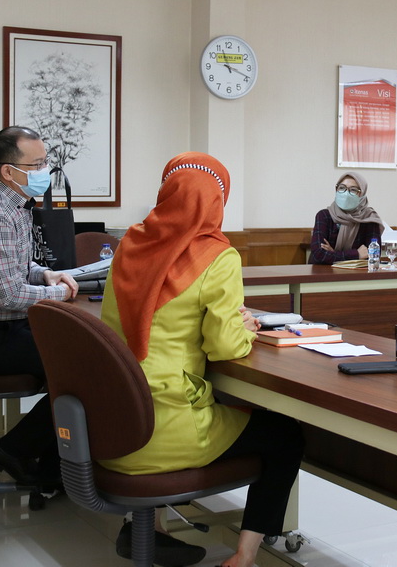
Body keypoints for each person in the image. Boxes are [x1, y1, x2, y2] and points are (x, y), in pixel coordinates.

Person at [101, 152, 304, 567]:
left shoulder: (129, 245)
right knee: (286, 435)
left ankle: (147, 525)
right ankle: (244, 556)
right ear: (217, 201)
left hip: (112, 426)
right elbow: (225, 347)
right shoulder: (218, 257)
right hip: (164, 429)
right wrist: (246, 328)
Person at [0, 126, 78, 488]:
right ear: (8, 171)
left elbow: (19, 267)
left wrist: (46, 275)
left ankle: (52, 466)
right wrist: (60, 295)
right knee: (79, 370)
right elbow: (8, 294)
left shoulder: (16, 207)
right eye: (36, 165)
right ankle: (15, 451)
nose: (44, 171)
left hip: (6, 328)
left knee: (76, 361)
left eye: (45, 162)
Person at [309, 172, 385, 264]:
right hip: (322, 272)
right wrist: (356, 254)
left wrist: (333, 254)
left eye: (353, 190)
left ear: (362, 194)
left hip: (357, 272)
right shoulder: (324, 216)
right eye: (342, 188)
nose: (346, 193)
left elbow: (373, 256)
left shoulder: (369, 219)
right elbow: (318, 255)